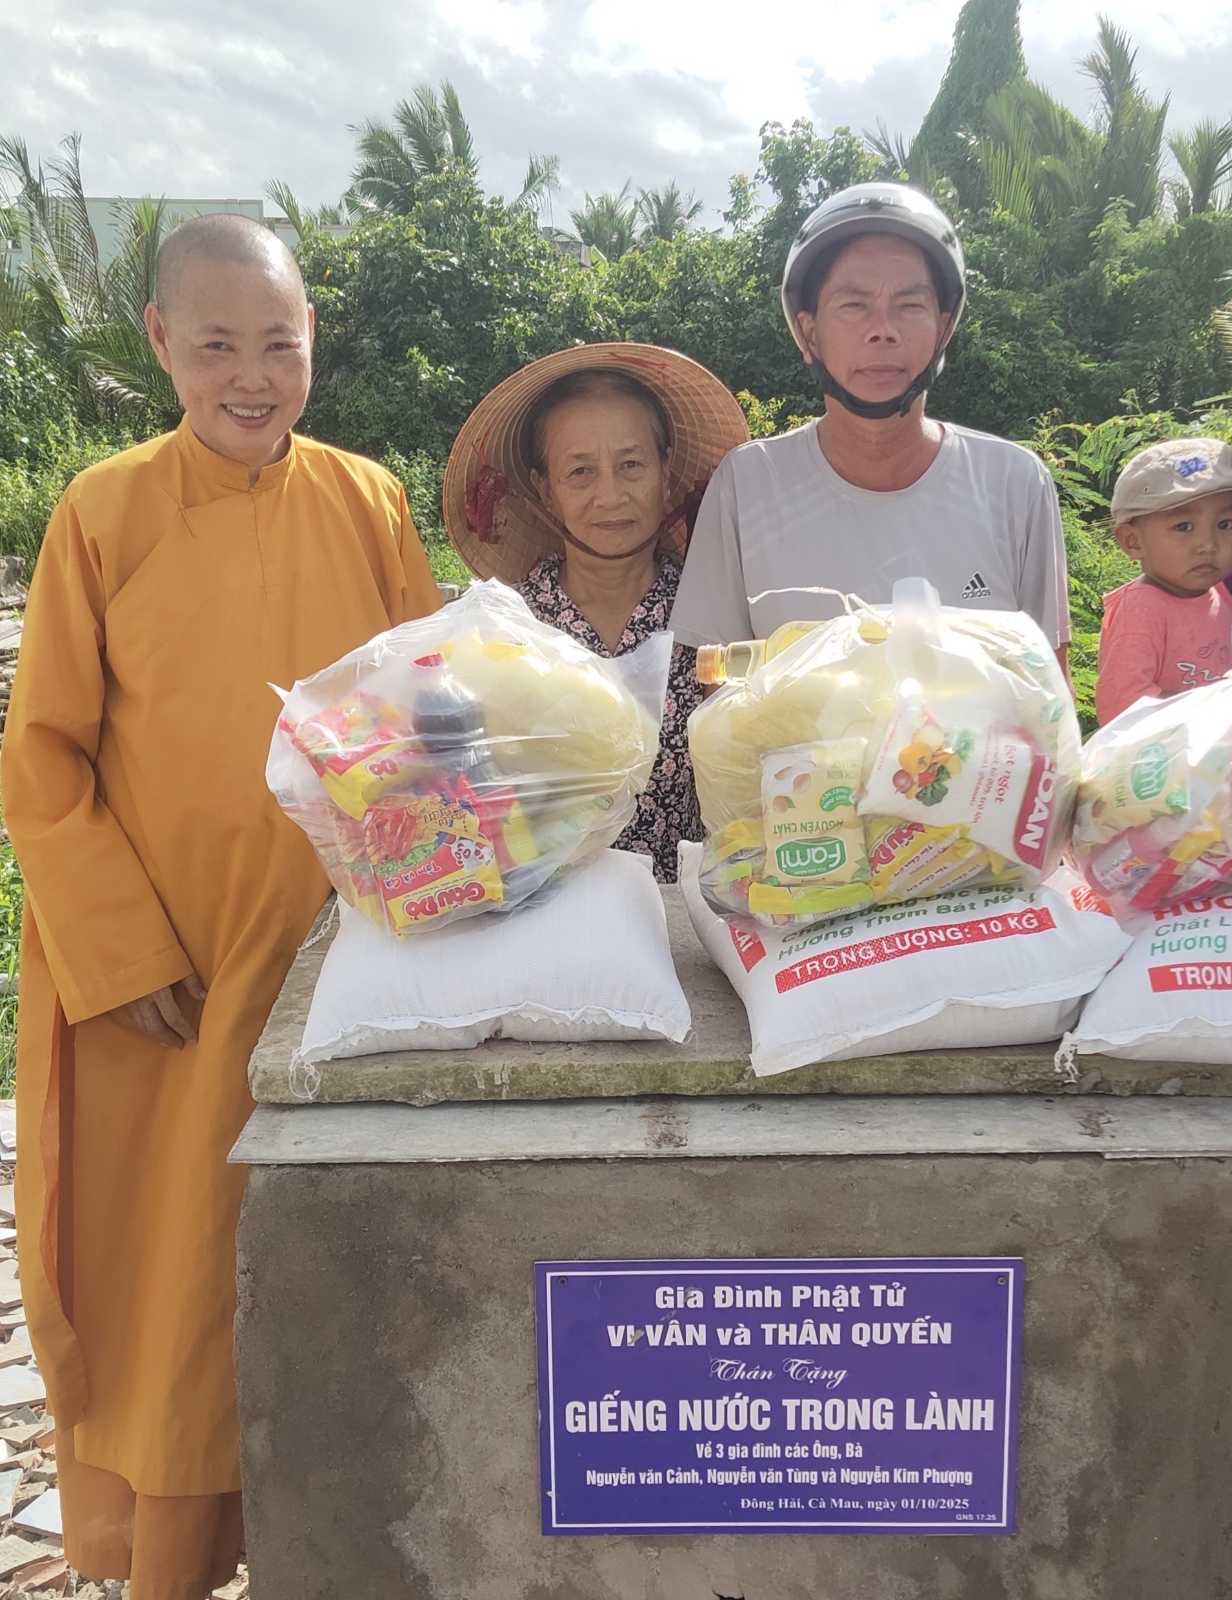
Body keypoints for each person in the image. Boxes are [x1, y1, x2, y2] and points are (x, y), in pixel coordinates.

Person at [1, 213, 442, 1597]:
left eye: (277, 344)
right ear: (160, 343)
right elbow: (43, 754)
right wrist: (118, 948)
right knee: (175, 1282)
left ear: (313, 343)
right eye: (215, 345)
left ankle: (353, 1536)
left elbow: (426, 702)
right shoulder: (105, 511)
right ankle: (176, 1559)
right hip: (171, 979)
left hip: (345, 947)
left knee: (347, 1254)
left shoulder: (367, 498)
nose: (251, 376)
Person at [670, 183, 1069, 673]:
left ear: (943, 328)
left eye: (909, 304)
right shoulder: (747, 484)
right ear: (809, 332)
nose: (883, 329)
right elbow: (719, 684)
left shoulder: (1015, 484)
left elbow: (1049, 689)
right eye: (854, 305)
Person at [443, 344, 749, 882]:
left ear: (665, 471)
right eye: (580, 472)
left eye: (631, 465)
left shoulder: (714, 617)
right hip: (537, 913)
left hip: (686, 919)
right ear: (546, 490)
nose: (610, 495)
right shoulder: (506, 631)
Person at [1095, 437, 1232, 724]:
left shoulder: (1220, 591)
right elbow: (1121, 705)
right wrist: (1213, 711)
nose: (1208, 544)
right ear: (1133, 541)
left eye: (1225, 525)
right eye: (1183, 527)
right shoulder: (1141, 609)